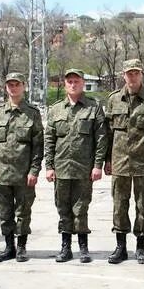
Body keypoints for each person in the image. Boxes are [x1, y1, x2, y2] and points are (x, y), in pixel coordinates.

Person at [103, 58, 144, 264]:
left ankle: (141, 247)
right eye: (129, 73)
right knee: (119, 204)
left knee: (142, 205)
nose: (133, 76)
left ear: (141, 75)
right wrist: (107, 160)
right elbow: (107, 133)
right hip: (119, 161)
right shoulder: (113, 100)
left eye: (136, 73)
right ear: (123, 75)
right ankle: (121, 247)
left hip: (143, 162)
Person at [44, 68, 107, 263]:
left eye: (76, 81)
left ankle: (83, 247)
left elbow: (101, 138)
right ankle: (65, 247)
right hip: (61, 168)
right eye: (69, 81)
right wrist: (49, 166)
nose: (73, 84)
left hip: (83, 169)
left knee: (81, 209)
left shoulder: (93, 108)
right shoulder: (55, 109)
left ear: (82, 83)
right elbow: (49, 139)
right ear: (65, 85)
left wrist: (98, 165)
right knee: (62, 208)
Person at [0, 72, 44, 262]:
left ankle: (22, 247)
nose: (13, 88)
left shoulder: (32, 114)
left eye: (17, 84)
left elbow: (38, 146)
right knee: (5, 212)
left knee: (23, 212)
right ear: (6, 87)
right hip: (1, 172)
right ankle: (9, 246)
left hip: (23, 174)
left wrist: (34, 170)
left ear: (23, 86)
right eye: (10, 84)